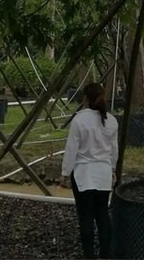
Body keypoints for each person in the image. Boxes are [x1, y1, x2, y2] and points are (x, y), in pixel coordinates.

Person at [59, 82, 119, 259]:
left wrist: (64, 173)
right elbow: (113, 149)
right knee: (102, 215)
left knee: (86, 217)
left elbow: (72, 149)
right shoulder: (111, 121)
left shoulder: (79, 120)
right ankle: (105, 255)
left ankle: (89, 256)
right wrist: (112, 168)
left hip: (83, 175)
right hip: (103, 174)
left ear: (85, 99)